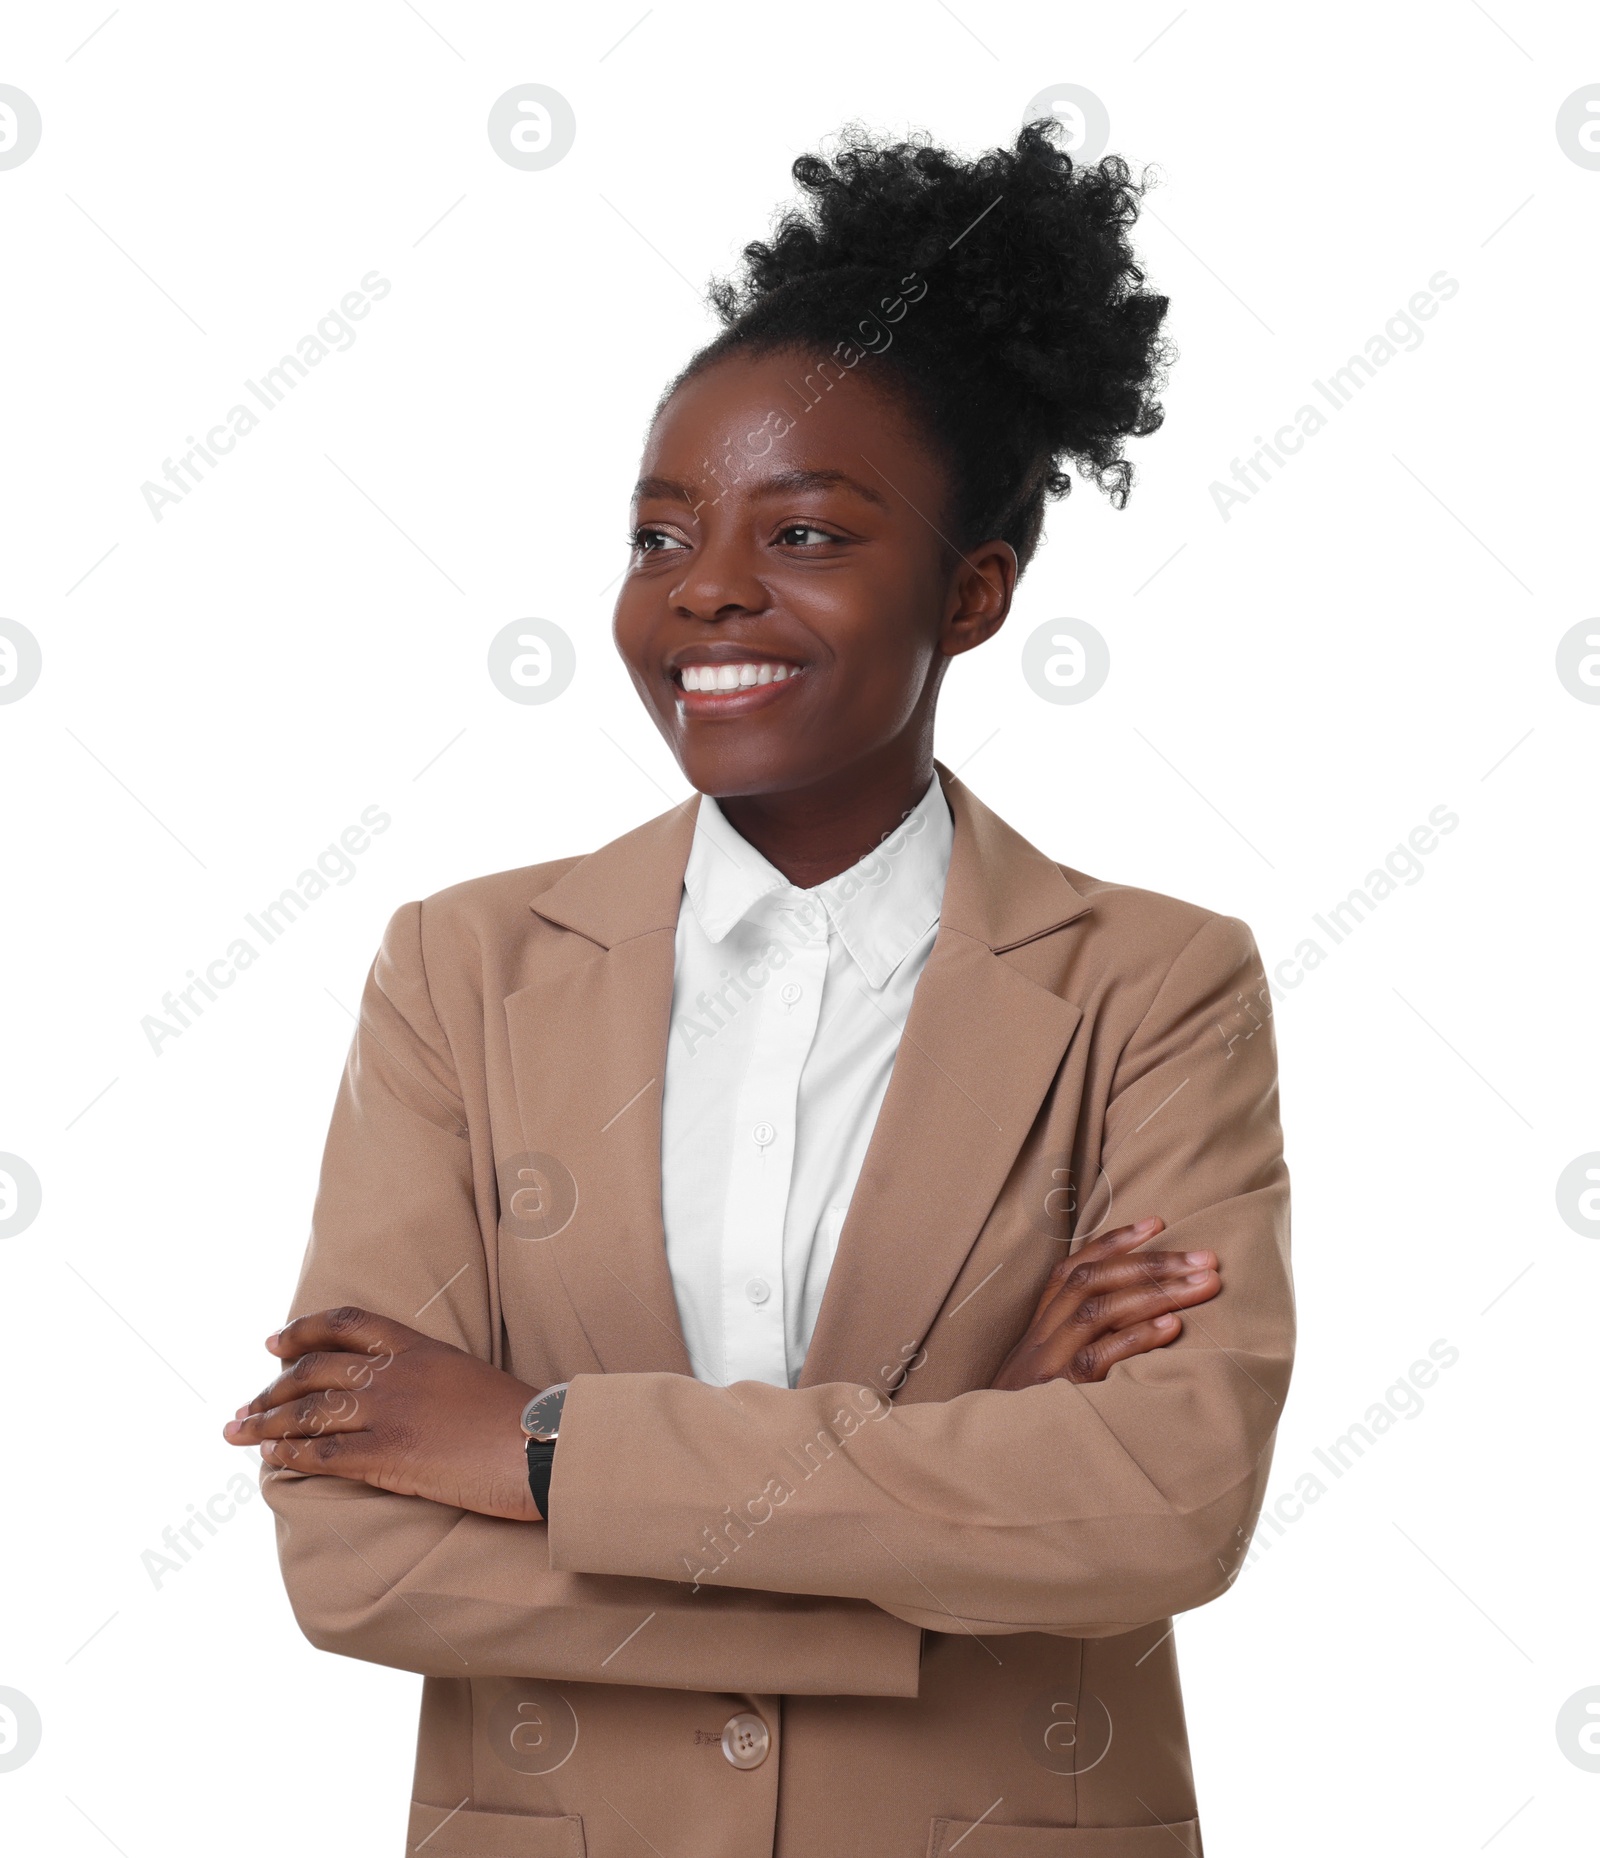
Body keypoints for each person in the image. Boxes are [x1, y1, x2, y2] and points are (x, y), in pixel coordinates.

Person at [225, 120, 1292, 1857]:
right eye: (659, 535)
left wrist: (549, 1453)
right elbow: (355, 1551)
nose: (706, 585)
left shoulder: (1157, 987)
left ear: (975, 590)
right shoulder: (463, 969)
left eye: (801, 528)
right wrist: (961, 1485)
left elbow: (1160, 1508)